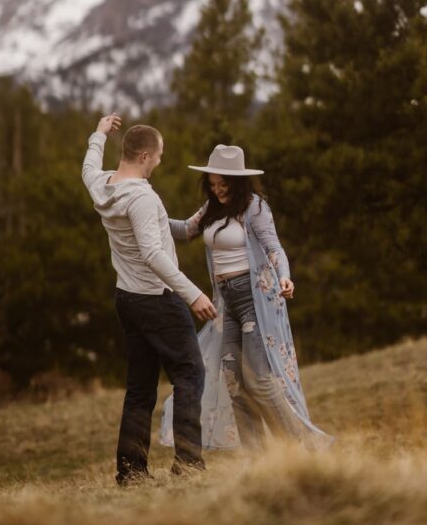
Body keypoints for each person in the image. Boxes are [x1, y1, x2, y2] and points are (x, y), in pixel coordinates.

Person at [162, 144, 332, 452]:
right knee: (234, 382)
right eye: (212, 185)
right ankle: (258, 459)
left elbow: (273, 247)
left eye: (222, 185)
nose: (217, 191)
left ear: (237, 182)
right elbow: (185, 230)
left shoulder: (254, 206)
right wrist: (150, 213)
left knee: (259, 379)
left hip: (254, 299)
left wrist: (285, 275)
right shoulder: (211, 208)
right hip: (227, 303)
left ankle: (303, 447)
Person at [82, 113, 217, 484]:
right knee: (190, 373)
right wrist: (193, 294)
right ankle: (188, 464)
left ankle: (131, 472)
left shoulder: (103, 185)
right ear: (143, 156)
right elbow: (153, 254)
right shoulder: (141, 198)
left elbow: (88, 167)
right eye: (158, 156)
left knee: (140, 388)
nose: (160, 161)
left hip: (127, 299)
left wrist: (98, 134)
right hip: (158, 299)